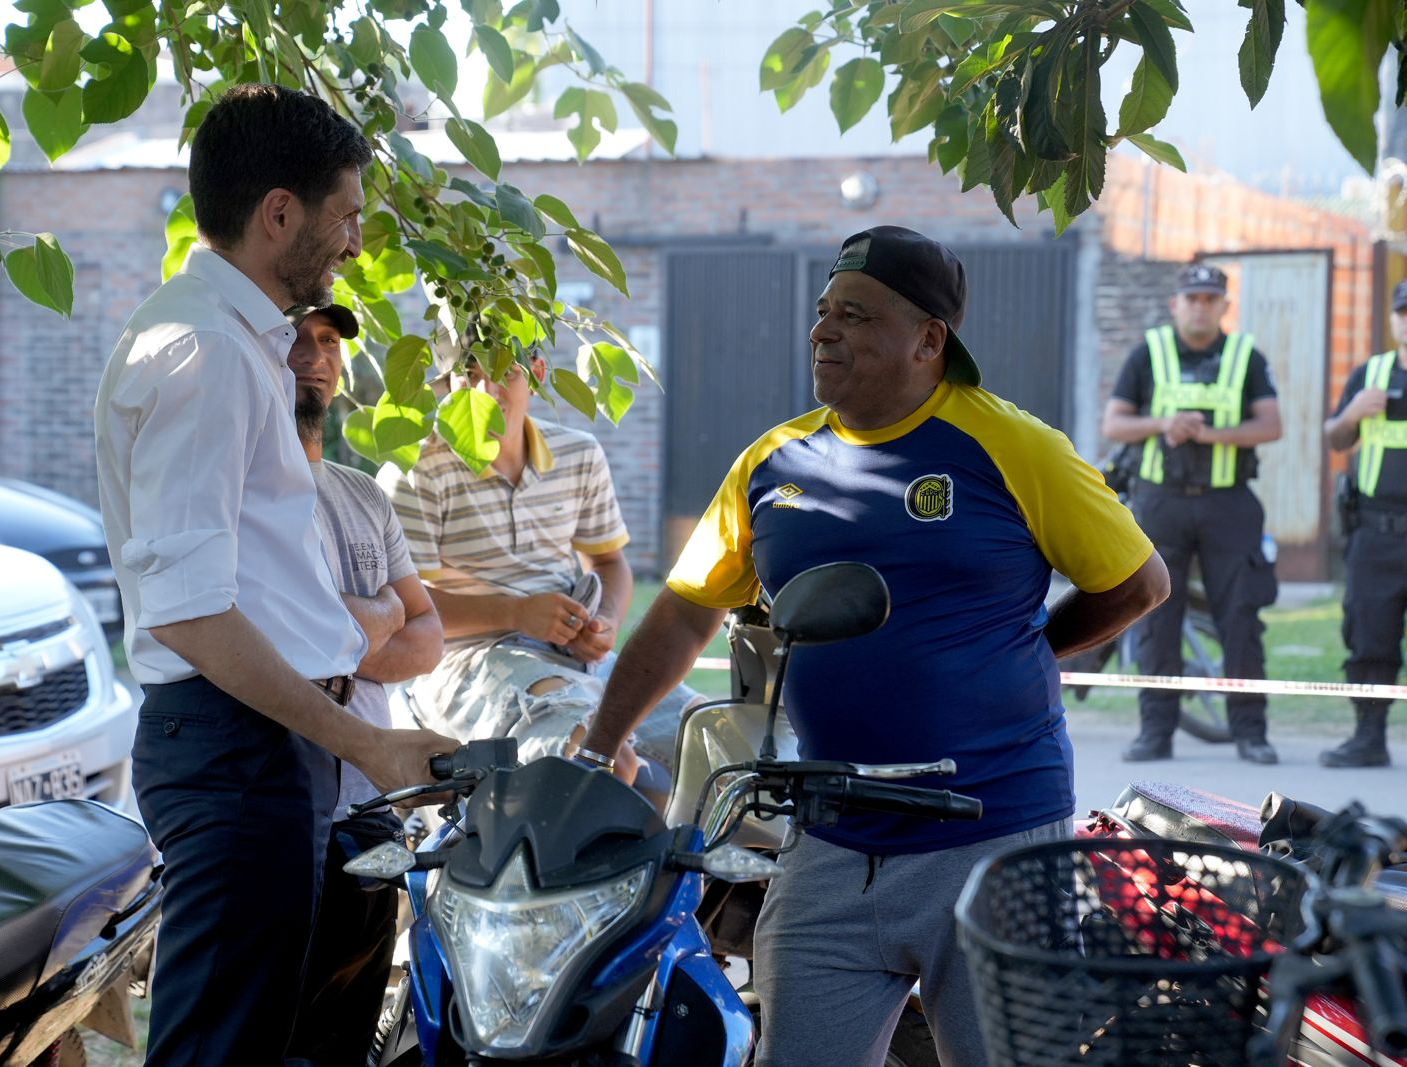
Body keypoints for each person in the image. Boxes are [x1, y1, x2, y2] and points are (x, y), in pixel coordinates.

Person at [579, 226, 1170, 1067]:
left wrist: (1029, 648)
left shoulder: (1015, 447)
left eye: (855, 315)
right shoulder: (772, 463)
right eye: (824, 311)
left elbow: (1138, 584)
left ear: (929, 340)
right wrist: (598, 746)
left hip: (994, 833)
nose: (823, 330)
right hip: (832, 844)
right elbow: (683, 613)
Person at [93, 85, 452, 1067]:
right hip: (237, 750)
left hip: (262, 749)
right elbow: (190, 612)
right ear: (280, 213)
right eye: (347, 215)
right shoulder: (204, 352)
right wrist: (364, 742)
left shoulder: (233, 341)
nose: (356, 244)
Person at [377, 339, 697, 780]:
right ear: (446, 386)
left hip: (577, 656)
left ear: (537, 374)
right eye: (470, 375)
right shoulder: (417, 468)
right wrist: (516, 613)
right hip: (468, 662)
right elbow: (403, 609)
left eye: (504, 372)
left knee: (715, 738)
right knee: (602, 762)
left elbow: (609, 562)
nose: (487, 391)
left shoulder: (578, 453)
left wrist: (603, 624)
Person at [277, 303, 445, 1065]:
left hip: (369, 807)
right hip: (276, 800)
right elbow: (269, 632)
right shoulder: (249, 491)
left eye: (327, 341)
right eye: (294, 337)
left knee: (345, 1036)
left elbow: (429, 638)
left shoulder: (364, 495)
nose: (313, 355)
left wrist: (335, 630)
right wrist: (381, 615)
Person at [1101, 262, 1284, 765]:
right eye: (1192, 299)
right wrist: (1165, 423)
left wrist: (1210, 434)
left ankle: (1251, 733)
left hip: (1229, 503)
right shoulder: (1148, 352)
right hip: (1162, 501)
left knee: (1241, 618)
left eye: (1210, 299)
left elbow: (1271, 426)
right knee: (1157, 619)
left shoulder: (1245, 357)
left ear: (1224, 306)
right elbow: (1115, 424)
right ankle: (1155, 733)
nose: (1200, 308)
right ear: (1175, 304)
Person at [1319, 279, 1407, 768]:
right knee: (1369, 637)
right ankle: (1368, 737)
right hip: (1375, 534)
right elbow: (1335, 438)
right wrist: (1352, 413)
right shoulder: (1370, 374)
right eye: (1403, 312)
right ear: (1393, 318)